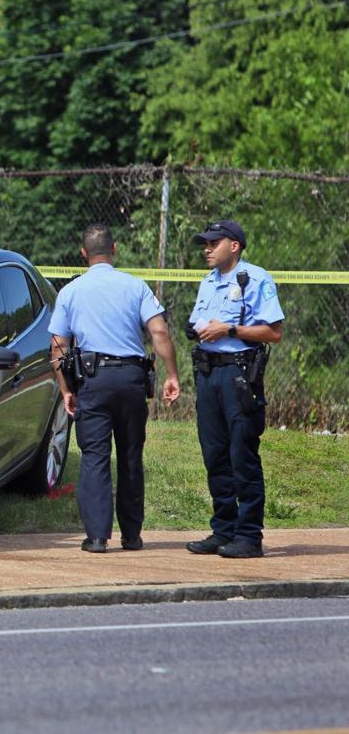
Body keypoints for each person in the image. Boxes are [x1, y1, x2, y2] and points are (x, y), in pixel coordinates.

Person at [49, 224, 181, 553]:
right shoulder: (135, 286)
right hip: (132, 379)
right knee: (131, 456)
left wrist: (66, 389)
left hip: (93, 380)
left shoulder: (70, 292)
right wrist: (172, 374)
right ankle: (132, 536)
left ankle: (96, 537)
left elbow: (57, 348)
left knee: (94, 457)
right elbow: (160, 333)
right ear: (115, 249)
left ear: (83, 253)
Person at [185, 219, 283, 558]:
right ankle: (223, 531)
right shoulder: (208, 282)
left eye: (214, 242)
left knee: (242, 454)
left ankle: (248, 536)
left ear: (235, 245)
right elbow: (197, 323)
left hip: (239, 376)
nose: (207, 249)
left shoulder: (256, 278)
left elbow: (273, 332)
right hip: (208, 375)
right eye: (205, 243)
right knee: (215, 455)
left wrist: (229, 330)